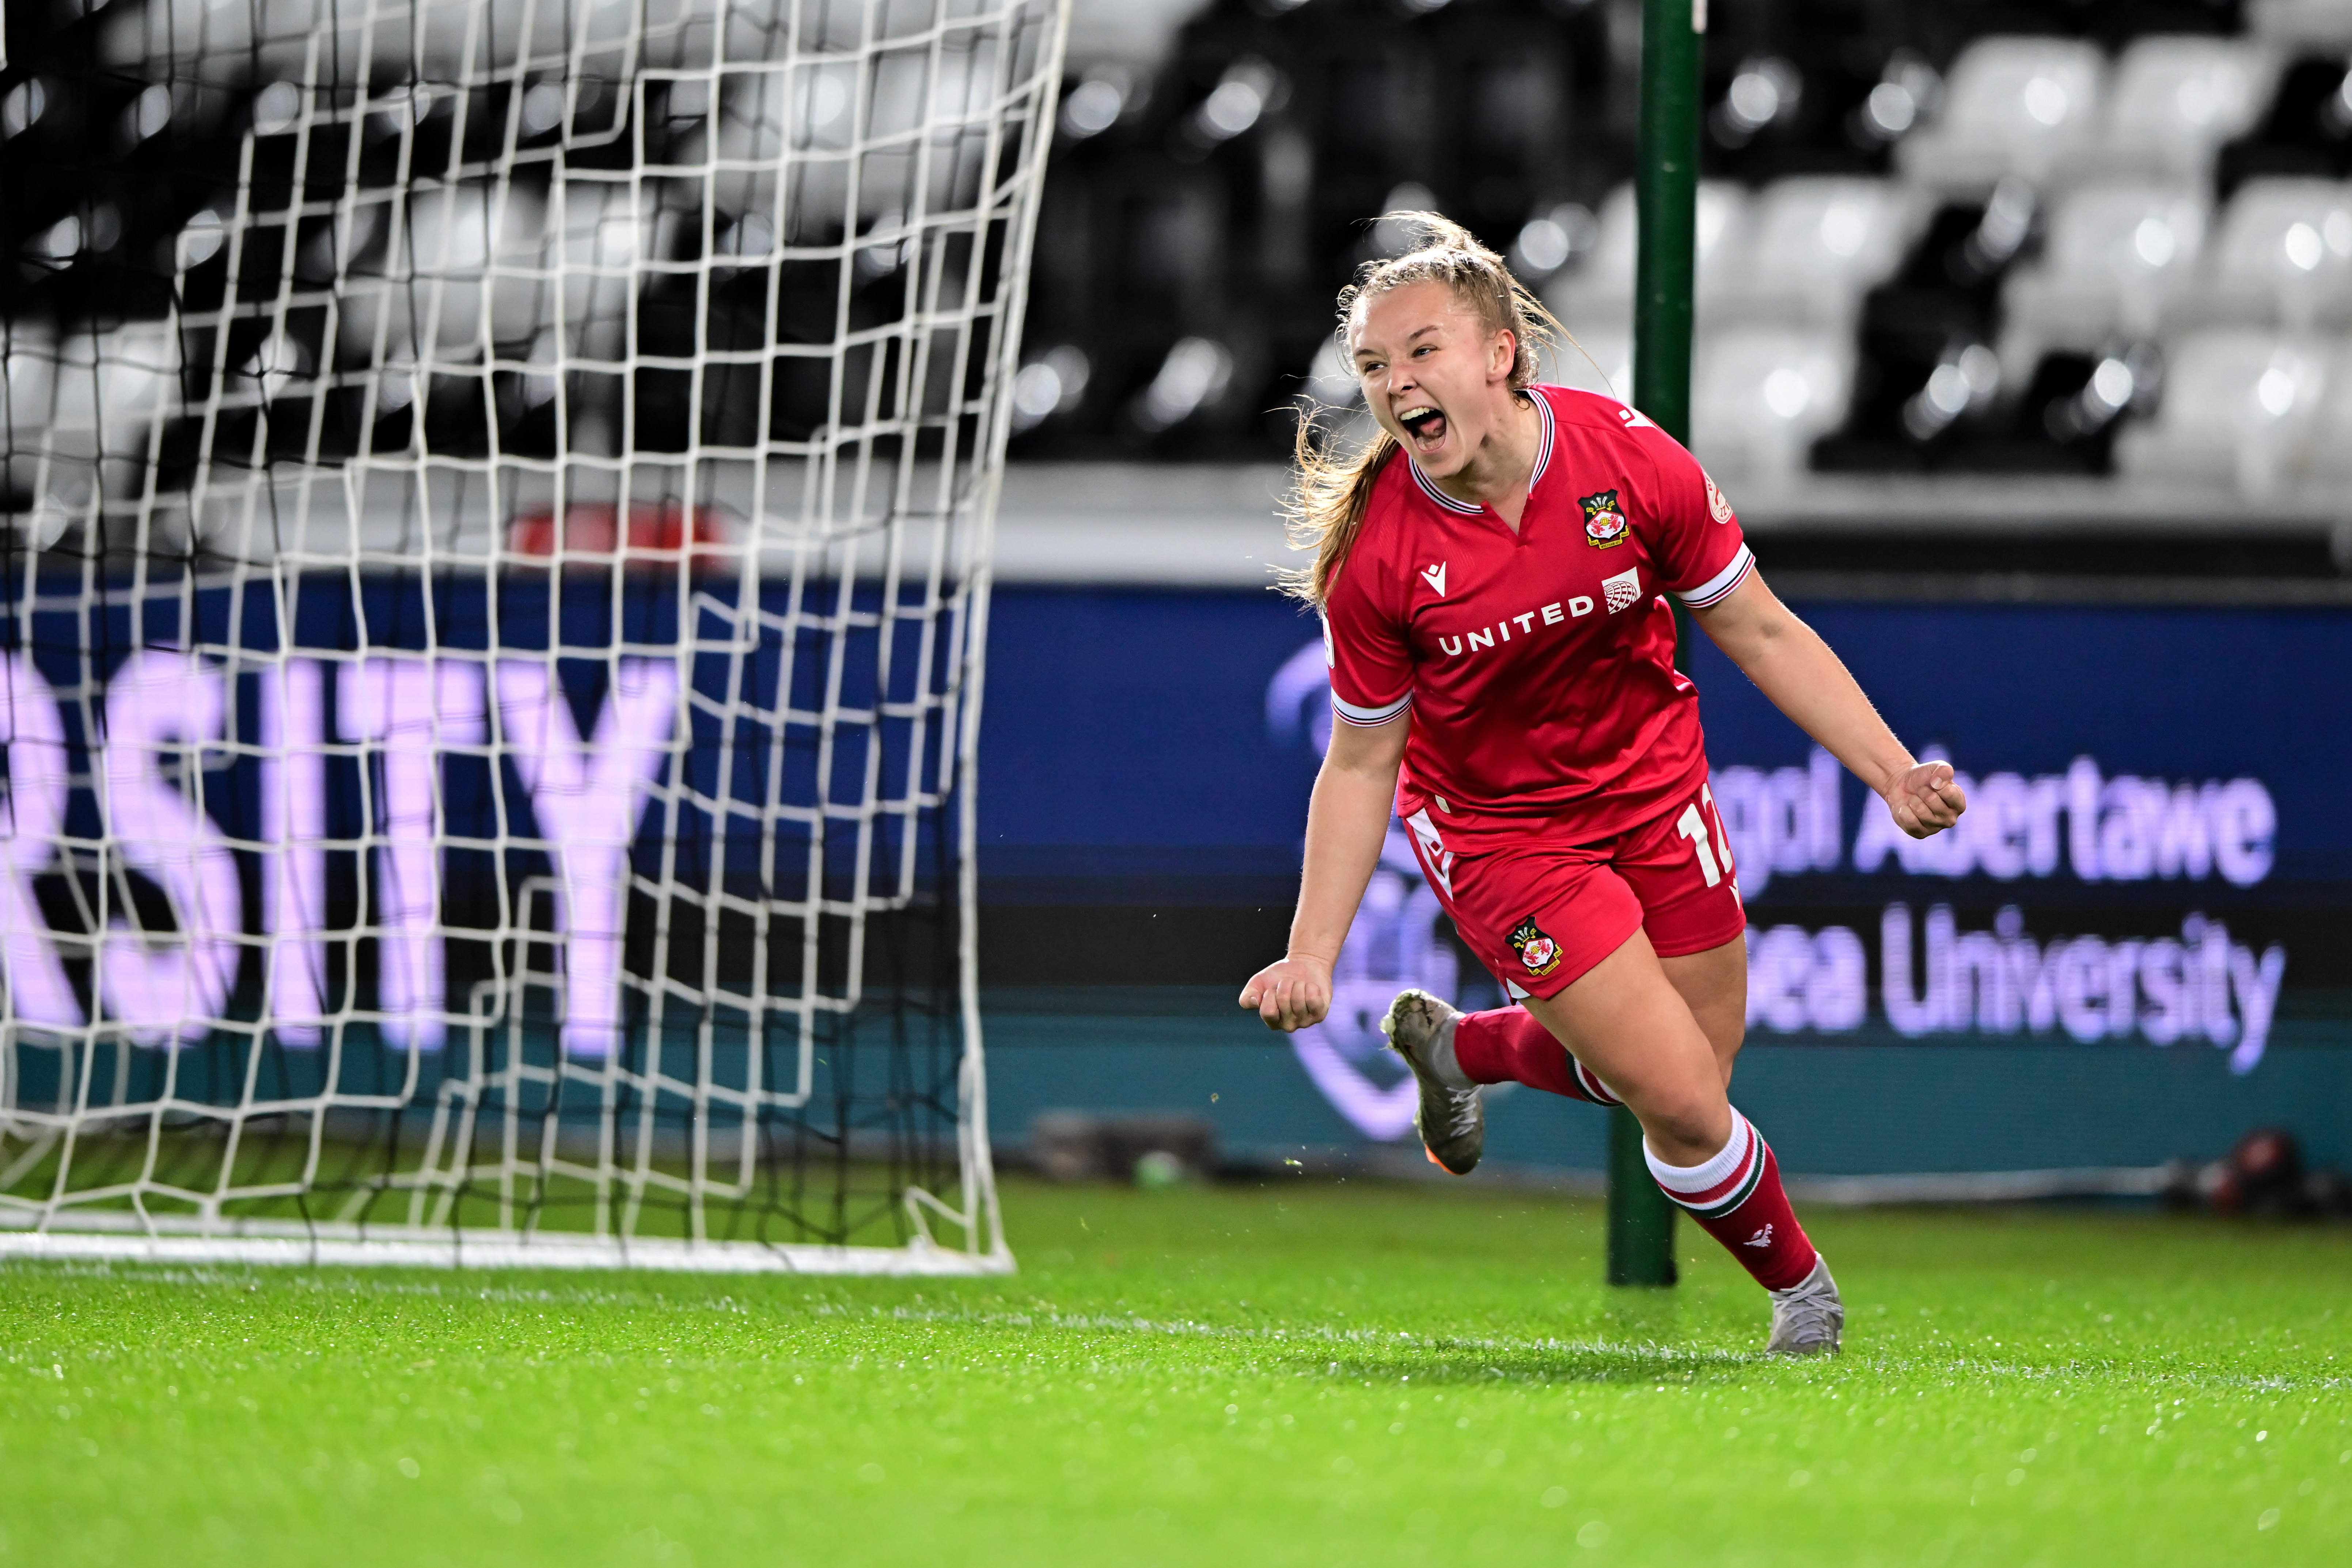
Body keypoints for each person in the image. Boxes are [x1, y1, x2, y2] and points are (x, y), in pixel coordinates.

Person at [1238, 214, 1966, 1356]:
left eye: (1420, 351)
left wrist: (1890, 769)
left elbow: (1761, 630)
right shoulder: (1378, 555)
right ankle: (1804, 1299)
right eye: (1374, 365)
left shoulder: (1629, 459)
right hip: (1500, 833)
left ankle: (1468, 1049)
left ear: (1500, 356)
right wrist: (1314, 951)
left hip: (1652, 787)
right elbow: (1361, 758)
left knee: (1699, 1062)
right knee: (1679, 1098)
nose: (1394, 384)